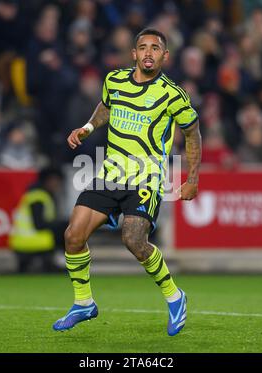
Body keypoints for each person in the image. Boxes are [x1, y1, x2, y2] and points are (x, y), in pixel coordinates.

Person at [53, 28, 202, 336]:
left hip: (146, 176)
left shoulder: (173, 94)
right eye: (143, 47)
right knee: (73, 235)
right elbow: (106, 106)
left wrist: (192, 178)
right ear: (134, 54)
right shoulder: (114, 80)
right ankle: (84, 303)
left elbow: (192, 132)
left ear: (164, 56)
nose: (149, 52)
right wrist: (88, 127)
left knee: (133, 240)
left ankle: (175, 297)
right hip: (110, 173)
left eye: (155, 48)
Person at [9, 167, 66, 273]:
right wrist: (63, 225)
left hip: (22, 242)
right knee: (67, 228)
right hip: (33, 241)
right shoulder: (38, 197)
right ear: (46, 181)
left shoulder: (36, 194)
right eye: (54, 180)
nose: (56, 184)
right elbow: (39, 224)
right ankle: (64, 261)